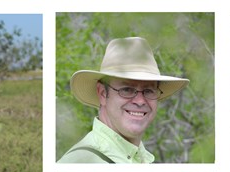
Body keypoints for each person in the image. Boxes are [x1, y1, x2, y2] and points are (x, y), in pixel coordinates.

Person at [59, 37, 187, 164]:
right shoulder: (79, 162)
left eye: (149, 91)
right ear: (102, 93)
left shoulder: (141, 159)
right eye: (127, 90)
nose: (140, 101)